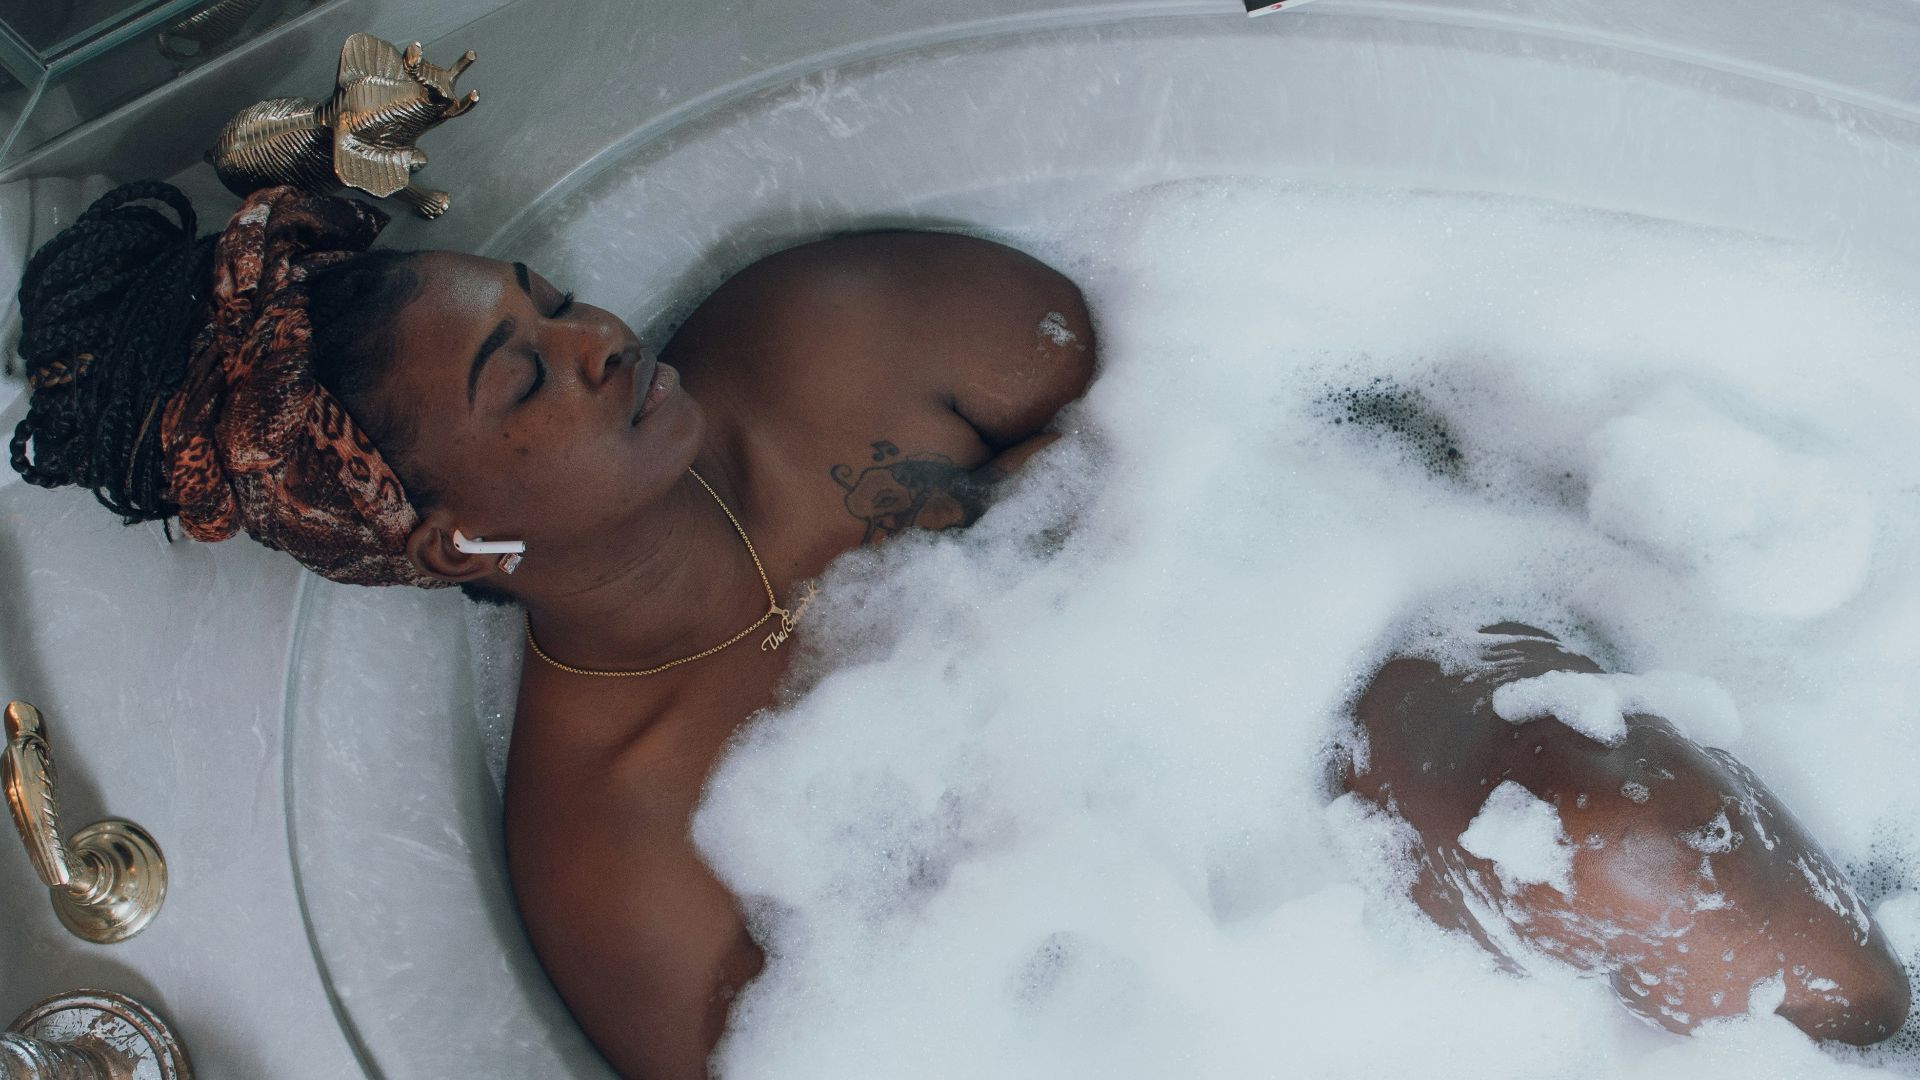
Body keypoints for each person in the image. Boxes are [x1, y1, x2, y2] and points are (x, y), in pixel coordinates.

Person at [7, 182, 1906, 1078]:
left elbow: (1298, 428)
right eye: (530, 375)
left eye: (552, 296)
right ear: (441, 536)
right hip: (1198, 968)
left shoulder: (853, 335)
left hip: (1352, 666)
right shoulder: (622, 841)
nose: (599, 338)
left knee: (1613, 835)